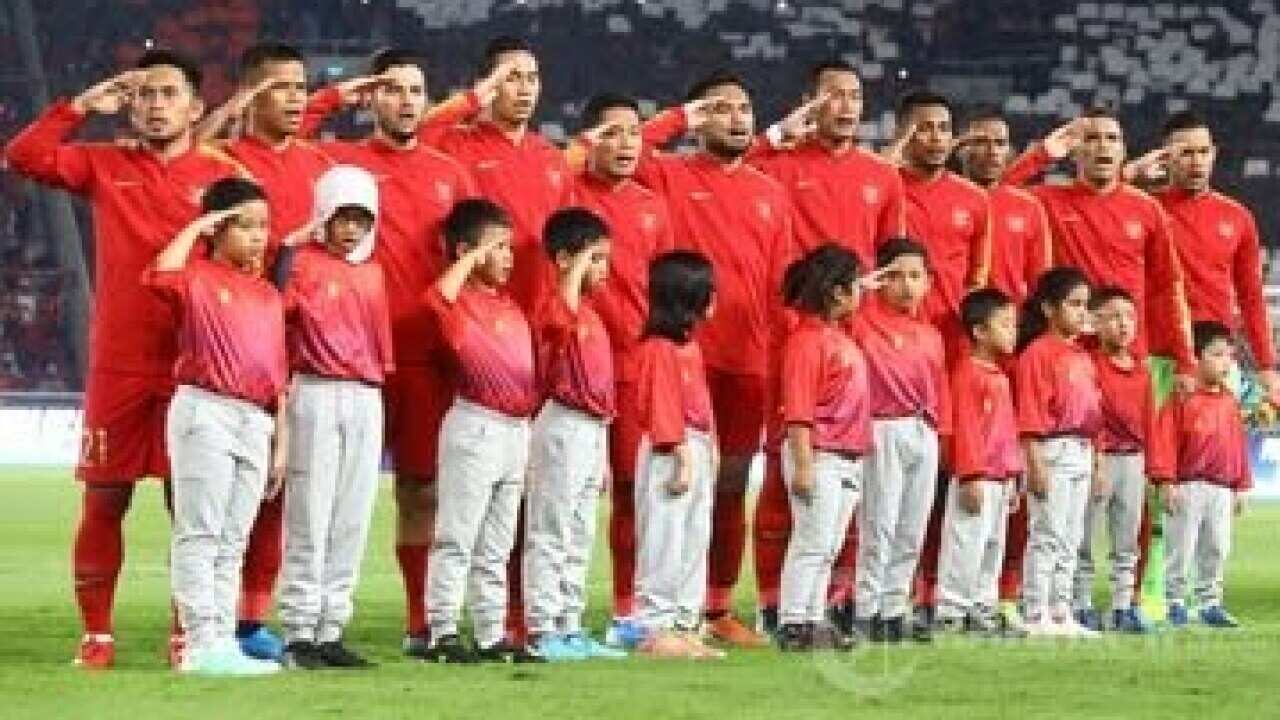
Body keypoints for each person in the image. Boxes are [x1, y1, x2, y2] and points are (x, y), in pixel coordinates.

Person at [2, 49, 242, 668]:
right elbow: (22, 156)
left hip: (196, 362)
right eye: (145, 95)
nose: (155, 106)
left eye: (168, 94)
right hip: (119, 362)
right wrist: (83, 103)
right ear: (129, 104)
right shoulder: (105, 164)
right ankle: (97, 636)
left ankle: (188, 631)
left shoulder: (222, 176)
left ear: (196, 107)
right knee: (105, 499)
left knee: (189, 505)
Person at [295, 48, 477, 655]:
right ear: (372, 98)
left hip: (424, 355)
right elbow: (291, 132)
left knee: (420, 491)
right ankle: (280, 622)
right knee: (317, 495)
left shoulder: (451, 172)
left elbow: (469, 255)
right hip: (342, 359)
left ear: (428, 99)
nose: (404, 101)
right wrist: (336, 94)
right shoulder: (341, 162)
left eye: (415, 90)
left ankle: (420, 621)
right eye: (391, 90)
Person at [748, 59, 906, 635]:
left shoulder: (881, 177)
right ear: (811, 103)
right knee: (785, 473)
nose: (846, 105)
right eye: (832, 95)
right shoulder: (783, 165)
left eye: (855, 95)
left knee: (850, 481)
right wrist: (777, 134)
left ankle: (831, 599)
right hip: (791, 333)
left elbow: (894, 262)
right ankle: (773, 602)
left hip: (854, 338)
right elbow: (739, 170)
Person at [636, 70, 793, 646]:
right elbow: (631, 143)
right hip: (683, 353)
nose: (735, 117)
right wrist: (682, 114)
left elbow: (779, 282)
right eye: (721, 109)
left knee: (729, 485)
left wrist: (779, 355)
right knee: (663, 480)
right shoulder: (671, 174)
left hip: (748, 361)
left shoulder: (770, 193)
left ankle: (715, 607)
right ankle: (645, 609)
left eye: (743, 107)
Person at [200, 41, 335, 660]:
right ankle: (206, 620)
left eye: (302, 86)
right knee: (220, 502)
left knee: (275, 493)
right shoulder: (224, 159)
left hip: (305, 345)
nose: (297, 96)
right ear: (252, 93)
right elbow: (189, 149)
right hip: (237, 335)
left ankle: (251, 619)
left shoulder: (320, 164)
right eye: (279, 86)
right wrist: (234, 106)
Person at [143, 177, 287, 676]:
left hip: (256, 419)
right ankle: (199, 642)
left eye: (264, 227)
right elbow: (159, 274)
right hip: (206, 407)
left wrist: (281, 440)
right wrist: (199, 225)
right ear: (218, 229)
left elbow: (277, 376)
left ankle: (221, 641)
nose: (258, 237)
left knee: (234, 537)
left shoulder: (269, 294)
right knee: (200, 531)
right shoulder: (197, 277)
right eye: (245, 226)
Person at [568, 93, 674, 642]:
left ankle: (626, 610)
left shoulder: (653, 207)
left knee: (634, 491)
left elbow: (663, 288)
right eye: (611, 132)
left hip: (635, 364)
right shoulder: (565, 194)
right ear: (586, 141)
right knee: (566, 494)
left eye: (634, 132)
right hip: (573, 362)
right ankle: (542, 614)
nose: (627, 142)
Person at [277, 166, 392, 669]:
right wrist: (285, 249)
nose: (351, 229)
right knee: (310, 510)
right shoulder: (300, 265)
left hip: (366, 394)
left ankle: (332, 627)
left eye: (361, 220)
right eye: (342, 218)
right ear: (322, 216)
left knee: (352, 515)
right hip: (317, 392)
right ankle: (300, 629)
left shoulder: (373, 274)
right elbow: (274, 309)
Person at [421, 199, 541, 664]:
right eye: (499, 247)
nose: (509, 257)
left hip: (515, 429)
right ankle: (443, 630)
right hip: (476, 423)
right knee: (458, 534)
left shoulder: (508, 306)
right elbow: (434, 300)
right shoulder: (459, 303)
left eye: (510, 247)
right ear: (466, 251)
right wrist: (470, 257)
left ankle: (491, 633)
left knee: (498, 539)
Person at [952, 106, 1052, 633]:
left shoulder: (1028, 209)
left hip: (1007, 361)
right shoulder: (954, 196)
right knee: (954, 485)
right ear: (962, 147)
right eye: (981, 141)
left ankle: (1000, 592)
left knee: (1007, 485)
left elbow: (1038, 293)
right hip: (958, 353)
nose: (992, 150)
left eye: (1001, 142)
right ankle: (938, 594)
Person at [522, 208, 627, 661]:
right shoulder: (554, 304)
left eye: (604, 260)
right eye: (595, 259)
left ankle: (569, 623)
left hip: (591, 428)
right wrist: (576, 270)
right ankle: (541, 629)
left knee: (580, 530)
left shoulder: (591, 313)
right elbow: (555, 326)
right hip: (561, 422)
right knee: (551, 529)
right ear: (565, 260)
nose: (602, 269)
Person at [848, 237, 949, 643]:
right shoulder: (861, 322)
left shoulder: (931, 334)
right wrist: (860, 288)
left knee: (912, 525)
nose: (907, 286)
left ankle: (894, 608)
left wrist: (941, 433)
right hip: (881, 427)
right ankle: (866, 609)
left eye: (915, 276)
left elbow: (939, 386)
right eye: (896, 276)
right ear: (880, 280)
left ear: (928, 282)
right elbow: (824, 315)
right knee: (879, 523)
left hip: (922, 429)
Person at [774, 244, 871, 652]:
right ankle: (795, 620)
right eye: (856, 285)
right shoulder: (807, 341)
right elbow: (798, 408)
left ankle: (812, 617)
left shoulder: (836, 336)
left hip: (844, 454)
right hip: (820, 454)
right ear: (837, 292)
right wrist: (803, 464)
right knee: (812, 541)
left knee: (828, 544)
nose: (862, 293)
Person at [632, 250, 723, 660]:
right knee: (664, 537)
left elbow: (700, 401)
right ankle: (655, 623)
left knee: (694, 537)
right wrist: (681, 453)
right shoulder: (658, 348)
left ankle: (687, 621)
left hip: (696, 444)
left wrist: (711, 447)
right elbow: (660, 404)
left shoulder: (689, 347)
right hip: (674, 450)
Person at [1015, 267, 1101, 638]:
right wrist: (1034, 462)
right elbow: (1031, 412)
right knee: (1047, 532)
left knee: (1070, 536)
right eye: (1074, 304)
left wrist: (1096, 461)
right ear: (1049, 308)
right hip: (1052, 448)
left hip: (1080, 448)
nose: (1083, 312)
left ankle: (1062, 610)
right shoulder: (1037, 353)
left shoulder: (1082, 355)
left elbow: (1093, 413)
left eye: (1086, 305)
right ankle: (1036, 612)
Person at [1150, 321, 1251, 629]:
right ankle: (1175, 601)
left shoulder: (1230, 402)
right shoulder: (1181, 400)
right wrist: (1166, 480)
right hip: (1188, 485)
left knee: (1218, 546)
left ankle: (1210, 601)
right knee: (1181, 546)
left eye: (1229, 356)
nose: (1226, 362)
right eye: (1217, 354)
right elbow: (1164, 440)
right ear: (1195, 358)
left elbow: (1237, 446)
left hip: (1221, 487)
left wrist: (1242, 485)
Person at [934, 289, 1023, 636]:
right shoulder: (967, 374)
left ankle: (982, 606)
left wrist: (1013, 476)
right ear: (979, 331)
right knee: (965, 541)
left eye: (1013, 325)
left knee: (992, 545)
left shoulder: (999, 376)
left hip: (1000, 477)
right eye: (1004, 325)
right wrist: (969, 474)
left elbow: (1007, 431)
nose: (1012, 332)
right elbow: (965, 428)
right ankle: (952, 609)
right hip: (978, 477)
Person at [1072, 287, 1155, 634]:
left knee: (1127, 539)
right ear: (1095, 322)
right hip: (1099, 458)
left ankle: (1123, 605)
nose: (1124, 324)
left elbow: (1150, 420)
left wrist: (1152, 466)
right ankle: (1081, 604)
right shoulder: (1088, 364)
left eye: (1129, 317)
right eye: (1114, 316)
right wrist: (1096, 459)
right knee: (1084, 536)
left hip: (1134, 461)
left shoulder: (1141, 371)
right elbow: (1088, 415)